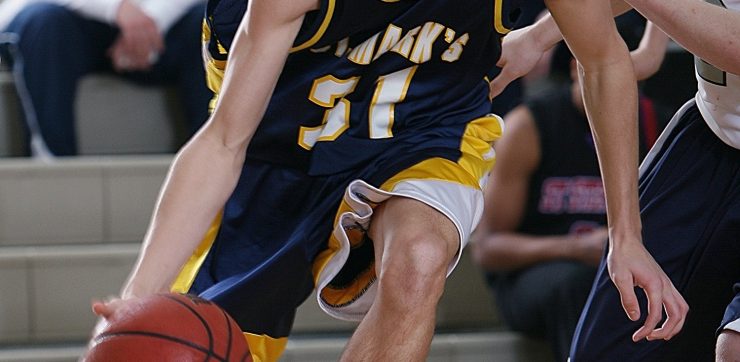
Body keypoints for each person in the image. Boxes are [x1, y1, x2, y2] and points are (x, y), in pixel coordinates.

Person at [89, 0, 686, 361]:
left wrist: (624, 236)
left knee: (419, 260)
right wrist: (135, 295)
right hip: (280, 155)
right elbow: (224, 142)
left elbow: (606, 61)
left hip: (426, 133)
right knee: (190, 341)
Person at [490, 0, 740, 360]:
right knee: (608, 348)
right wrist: (538, 36)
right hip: (713, 133)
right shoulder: (534, 123)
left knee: (734, 346)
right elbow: (641, 58)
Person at [472, 39, 665, 362]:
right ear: (578, 68)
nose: (624, 88)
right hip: (535, 275)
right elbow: (489, 249)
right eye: (614, 73)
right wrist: (576, 248)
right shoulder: (530, 126)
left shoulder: (655, 125)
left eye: (633, 77)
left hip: (621, 274)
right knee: (582, 286)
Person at [0, 0, 210, 156]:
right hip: (59, 17)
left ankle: (212, 165)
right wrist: (116, 8)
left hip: (158, 19)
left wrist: (151, 21)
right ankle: (51, 166)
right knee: (43, 22)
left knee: (211, 23)